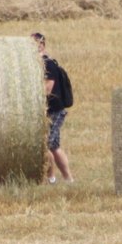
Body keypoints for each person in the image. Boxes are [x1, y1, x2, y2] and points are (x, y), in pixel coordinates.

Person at [31, 32, 73, 183]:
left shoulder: (48, 64)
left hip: (54, 111)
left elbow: (48, 89)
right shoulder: (37, 63)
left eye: (34, 44)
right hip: (47, 111)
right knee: (54, 146)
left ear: (42, 45)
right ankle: (66, 179)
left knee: (47, 145)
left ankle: (54, 178)